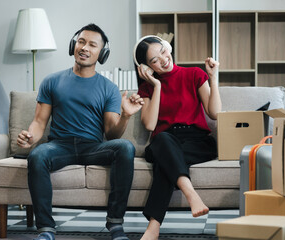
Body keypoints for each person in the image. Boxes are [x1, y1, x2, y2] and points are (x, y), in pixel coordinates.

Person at [17, 23, 144, 240]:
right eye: (81, 42)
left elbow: (112, 135)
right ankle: (46, 229)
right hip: (60, 146)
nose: (85, 48)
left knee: (125, 147)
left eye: (92, 45)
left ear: (102, 53)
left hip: (93, 146)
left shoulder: (109, 88)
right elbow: (39, 122)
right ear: (73, 45)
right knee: (37, 155)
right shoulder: (52, 81)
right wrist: (30, 138)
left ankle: (115, 223)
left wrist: (126, 115)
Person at [133, 35, 221, 240]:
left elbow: (214, 113)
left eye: (163, 51)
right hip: (165, 140)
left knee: (165, 162)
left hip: (196, 141)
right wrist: (157, 86)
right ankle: (191, 194)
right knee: (163, 141)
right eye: (154, 60)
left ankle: (153, 228)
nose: (163, 60)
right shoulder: (148, 87)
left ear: (168, 48)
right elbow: (150, 125)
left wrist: (213, 77)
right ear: (146, 67)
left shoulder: (194, 74)